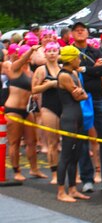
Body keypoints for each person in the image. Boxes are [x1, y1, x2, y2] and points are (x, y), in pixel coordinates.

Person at [71, 22, 102, 192]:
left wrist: (84, 68)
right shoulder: (69, 52)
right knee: (82, 141)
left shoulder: (94, 50)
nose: (80, 32)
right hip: (77, 101)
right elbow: (69, 69)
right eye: (76, 30)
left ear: (87, 32)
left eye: (82, 29)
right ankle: (87, 179)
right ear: (72, 34)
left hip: (98, 99)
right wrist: (94, 69)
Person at [5, 43, 46, 181]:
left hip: (27, 110)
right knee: (14, 141)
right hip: (13, 110)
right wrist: (29, 51)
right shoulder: (14, 68)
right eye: (26, 55)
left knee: (32, 141)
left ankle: (34, 169)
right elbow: (20, 62)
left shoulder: (32, 72)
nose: (29, 58)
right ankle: (16, 170)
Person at [55, 46, 89, 202]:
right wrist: (81, 94)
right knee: (66, 156)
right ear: (71, 59)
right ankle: (61, 191)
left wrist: (81, 93)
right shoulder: (63, 76)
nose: (80, 60)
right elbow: (79, 97)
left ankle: (73, 188)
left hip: (78, 116)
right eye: (77, 57)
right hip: (69, 117)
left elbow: (82, 94)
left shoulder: (74, 73)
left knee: (76, 154)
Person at [31, 42, 61, 184]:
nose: (52, 53)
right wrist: (48, 84)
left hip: (65, 107)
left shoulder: (63, 68)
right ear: (45, 53)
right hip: (49, 107)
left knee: (69, 142)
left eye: (54, 51)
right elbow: (34, 89)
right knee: (52, 142)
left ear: (58, 53)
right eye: (49, 51)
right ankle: (54, 174)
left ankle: (74, 173)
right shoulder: (41, 70)